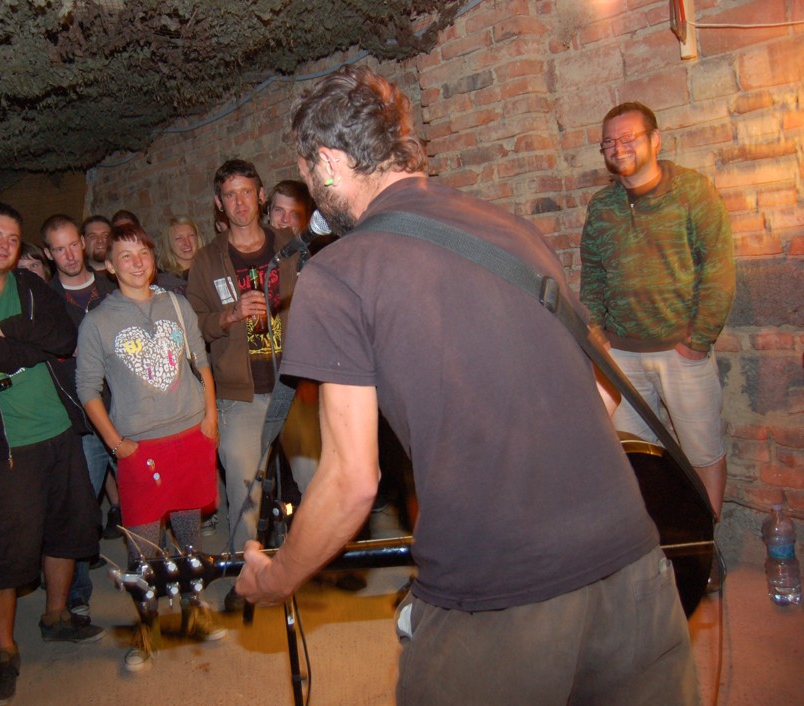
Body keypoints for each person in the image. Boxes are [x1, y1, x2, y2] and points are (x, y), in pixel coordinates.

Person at [236, 67, 699, 705]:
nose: (313, 195)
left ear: (331, 162)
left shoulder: (339, 271)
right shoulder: (510, 228)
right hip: (633, 562)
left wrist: (276, 579)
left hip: (498, 596)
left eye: (309, 175)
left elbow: (351, 482)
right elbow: (602, 394)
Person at [0, 202, 103, 706]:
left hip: (60, 430)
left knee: (67, 529)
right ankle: (4, 651)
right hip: (5, 445)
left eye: (12, 237)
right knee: (5, 552)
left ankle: (56, 615)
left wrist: (8, 331)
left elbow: (64, 337)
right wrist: (32, 344)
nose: (5, 245)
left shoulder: (30, 286)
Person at [76, 223, 224, 672]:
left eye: (143, 252)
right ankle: (146, 630)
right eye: (125, 255)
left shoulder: (176, 304)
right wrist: (116, 443)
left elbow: (201, 362)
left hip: (190, 436)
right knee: (143, 547)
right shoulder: (97, 322)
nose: (137, 262)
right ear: (109, 265)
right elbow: (87, 389)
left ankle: (194, 611)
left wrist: (211, 418)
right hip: (140, 448)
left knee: (189, 537)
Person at [581, 101, 735, 527]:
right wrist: (597, 333)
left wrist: (698, 339)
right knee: (637, 456)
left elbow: (718, 267)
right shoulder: (602, 206)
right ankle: (658, 545)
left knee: (703, 452)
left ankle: (704, 546)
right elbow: (592, 273)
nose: (618, 147)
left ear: (655, 139)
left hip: (681, 353)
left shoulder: (692, 191)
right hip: (622, 357)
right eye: (609, 141)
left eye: (628, 137)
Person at [186, 158, 301, 611]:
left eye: (246, 192)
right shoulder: (207, 259)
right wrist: (229, 315)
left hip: (297, 384)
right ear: (219, 203)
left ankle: (318, 562)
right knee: (243, 488)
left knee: (320, 480)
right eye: (230, 195)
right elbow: (195, 323)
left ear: (261, 196)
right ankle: (245, 577)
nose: (239, 202)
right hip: (241, 393)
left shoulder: (290, 245)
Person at [38, 213, 119, 617]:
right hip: (80, 424)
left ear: (84, 243)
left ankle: (152, 576)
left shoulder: (112, 288)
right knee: (78, 513)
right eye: (59, 249)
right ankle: (76, 595)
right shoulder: (44, 300)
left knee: (145, 503)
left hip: (125, 415)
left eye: (73, 244)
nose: (69, 255)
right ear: (48, 253)